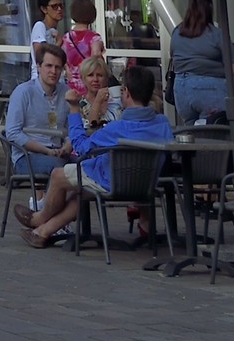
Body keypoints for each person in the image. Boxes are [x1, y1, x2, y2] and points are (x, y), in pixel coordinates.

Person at [18, 62, 174, 245]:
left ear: (126, 93)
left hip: (112, 181)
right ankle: (42, 232)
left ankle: (38, 218)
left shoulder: (117, 128)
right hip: (147, 183)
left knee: (59, 175)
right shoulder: (162, 123)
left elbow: (81, 145)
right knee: (82, 191)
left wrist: (75, 110)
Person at [167, 0, 234, 125]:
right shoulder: (216, 34)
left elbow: (173, 57)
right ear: (210, 7)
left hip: (180, 89)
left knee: (192, 133)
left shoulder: (177, 32)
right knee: (213, 134)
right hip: (209, 89)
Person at [5, 43, 72, 181]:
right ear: (39, 67)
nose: (53, 71)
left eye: (58, 67)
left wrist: (66, 147)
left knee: (87, 167)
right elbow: (12, 132)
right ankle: (46, 202)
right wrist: (45, 151)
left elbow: (70, 129)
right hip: (27, 156)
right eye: (49, 66)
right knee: (63, 169)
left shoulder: (65, 92)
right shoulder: (23, 92)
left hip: (58, 152)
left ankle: (54, 203)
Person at [61, 0, 104, 97]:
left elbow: (63, 59)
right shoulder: (94, 38)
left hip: (70, 87)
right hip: (88, 87)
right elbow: (96, 56)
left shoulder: (66, 37)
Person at [29, 0, 64, 72]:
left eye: (61, 5)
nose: (59, 9)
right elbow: (40, 54)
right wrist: (59, 42)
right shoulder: (40, 26)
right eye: (54, 6)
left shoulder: (55, 29)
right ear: (44, 9)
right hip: (40, 78)